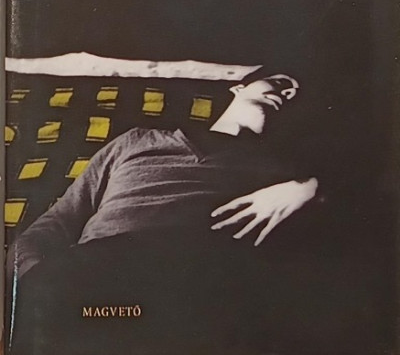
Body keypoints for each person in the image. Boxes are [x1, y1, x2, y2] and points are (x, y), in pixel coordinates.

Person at [8, 69, 368, 355]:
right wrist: (30, 276)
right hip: (93, 276)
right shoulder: (137, 140)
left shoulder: (286, 167)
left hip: (200, 286)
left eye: (296, 96)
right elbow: (56, 222)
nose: (288, 93)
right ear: (239, 87)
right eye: (281, 82)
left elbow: (364, 212)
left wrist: (309, 189)